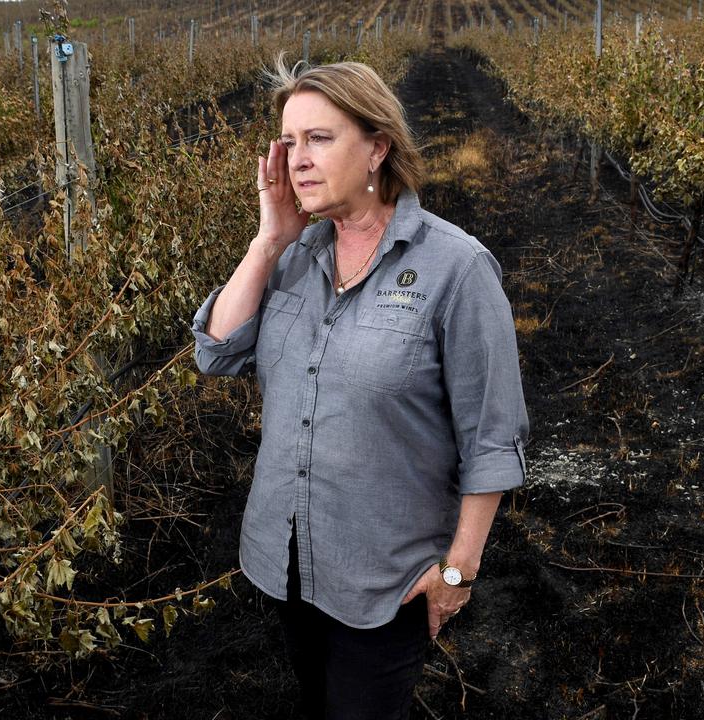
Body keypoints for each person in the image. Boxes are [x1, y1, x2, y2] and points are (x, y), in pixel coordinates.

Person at [191, 57, 530, 720]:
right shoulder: (295, 258)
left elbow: (493, 435)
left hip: (387, 577)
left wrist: (457, 572)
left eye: (319, 138)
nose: (298, 159)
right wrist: (268, 240)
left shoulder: (454, 269)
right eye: (289, 142)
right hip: (286, 557)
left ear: (377, 148)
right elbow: (216, 351)